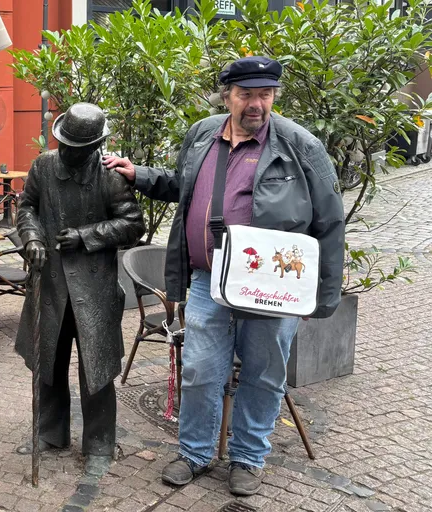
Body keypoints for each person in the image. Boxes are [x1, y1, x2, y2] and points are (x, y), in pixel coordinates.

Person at [103, 56, 345, 495]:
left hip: (272, 286)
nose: (257, 104)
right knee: (199, 369)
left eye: (265, 95)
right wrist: (139, 175)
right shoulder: (203, 135)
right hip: (208, 280)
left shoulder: (300, 145)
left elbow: (329, 221)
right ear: (226, 96)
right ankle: (195, 453)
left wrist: (319, 296)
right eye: (246, 94)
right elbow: (183, 186)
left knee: (264, 374)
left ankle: (248, 458)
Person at [16, 102, 145, 476]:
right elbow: (26, 208)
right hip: (51, 284)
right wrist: (32, 239)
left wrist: (87, 235)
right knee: (48, 361)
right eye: (66, 144)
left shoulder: (110, 177)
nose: (69, 152)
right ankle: (50, 432)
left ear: (94, 146)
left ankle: (100, 442)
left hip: (94, 288)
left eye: (78, 147)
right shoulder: (43, 167)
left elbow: (132, 224)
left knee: (96, 368)